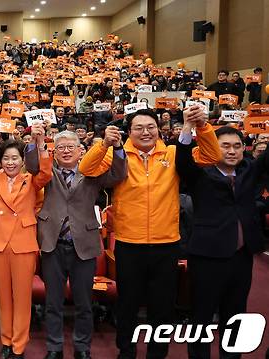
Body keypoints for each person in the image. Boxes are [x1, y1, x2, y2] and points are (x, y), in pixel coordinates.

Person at [79, 106, 221, 358]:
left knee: (162, 307)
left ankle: (158, 352)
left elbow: (211, 156)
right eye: (138, 128)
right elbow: (87, 169)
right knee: (127, 305)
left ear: (159, 130)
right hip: (128, 243)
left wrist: (202, 126)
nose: (145, 132)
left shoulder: (175, 152)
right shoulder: (118, 154)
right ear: (129, 132)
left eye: (150, 127)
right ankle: (126, 351)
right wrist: (103, 143)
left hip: (166, 243)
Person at [26, 128, 127, 359]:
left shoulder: (92, 171)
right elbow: (31, 165)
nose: (66, 151)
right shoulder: (47, 169)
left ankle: (82, 347)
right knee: (53, 302)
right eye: (61, 147)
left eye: (71, 146)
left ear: (81, 150)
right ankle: (54, 347)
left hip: (85, 244)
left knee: (84, 303)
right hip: (52, 243)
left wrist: (118, 147)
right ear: (55, 151)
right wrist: (35, 141)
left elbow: (119, 175)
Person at [176, 125, 266, 359]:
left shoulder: (249, 171)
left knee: (235, 316)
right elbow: (183, 161)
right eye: (225, 146)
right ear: (214, 148)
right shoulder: (201, 173)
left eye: (237, 146)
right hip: (207, 256)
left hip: (242, 256)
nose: (232, 151)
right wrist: (187, 129)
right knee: (201, 317)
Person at [0, 124, 53, 359]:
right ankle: (6, 341)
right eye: (6, 158)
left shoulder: (32, 180)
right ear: (1, 161)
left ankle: (19, 345)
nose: (11, 162)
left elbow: (46, 173)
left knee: (22, 298)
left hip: (23, 244)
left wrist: (41, 143)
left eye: (15, 158)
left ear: (22, 160)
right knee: (3, 298)